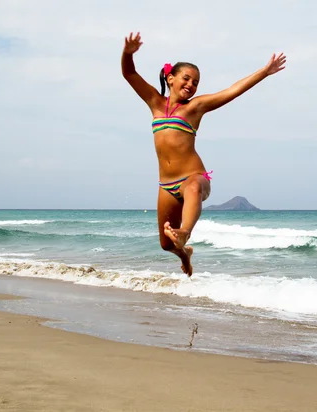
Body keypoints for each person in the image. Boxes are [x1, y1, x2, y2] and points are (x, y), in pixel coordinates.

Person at [121, 32, 286, 277]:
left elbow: (232, 91)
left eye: (195, 82)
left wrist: (264, 71)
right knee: (166, 244)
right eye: (186, 79)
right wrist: (128, 54)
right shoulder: (154, 102)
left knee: (193, 190)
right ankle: (184, 252)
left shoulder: (196, 107)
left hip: (194, 177)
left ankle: (185, 232)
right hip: (166, 185)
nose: (191, 85)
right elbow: (130, 74)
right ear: (170, 78)